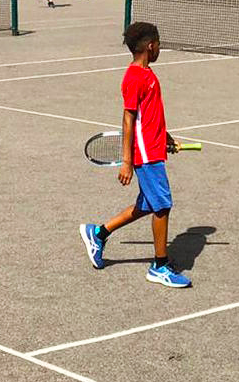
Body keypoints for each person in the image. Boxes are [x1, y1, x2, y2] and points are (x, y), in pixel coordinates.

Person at [80, 22, 191, 288]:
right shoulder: (134, 78)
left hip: (154, 148)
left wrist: (166, 138)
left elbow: (151, 116)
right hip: (145, 155)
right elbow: (129, 119)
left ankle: (98, 233)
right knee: (162, 206)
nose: (160, 48)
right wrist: (127, 161)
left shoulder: (149, 74)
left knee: (148, 205)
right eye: (159, 44)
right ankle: (160, 266)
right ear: (151, 46)